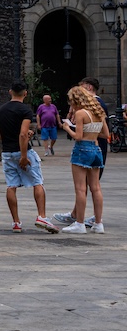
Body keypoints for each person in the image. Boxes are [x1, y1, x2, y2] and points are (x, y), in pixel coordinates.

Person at [0, 82, 60, 234]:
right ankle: (42, 216)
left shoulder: (1, 110)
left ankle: (16, 222)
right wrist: (24, 156)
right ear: (25, 93)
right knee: (37, 182)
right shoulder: (25, 110)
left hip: (7, 152)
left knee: (11, 185)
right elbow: (23, 134)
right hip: (22, 151)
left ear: (10, 91)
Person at [59, 85, 106, 234]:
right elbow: (105, 134)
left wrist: (66, 127)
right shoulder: (99, 112)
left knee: (80, 189)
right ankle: (98, 223)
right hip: (96, 148)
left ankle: (79, 223)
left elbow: (78, 137)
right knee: (96, 188)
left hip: (82, 149)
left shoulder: (81, 113)